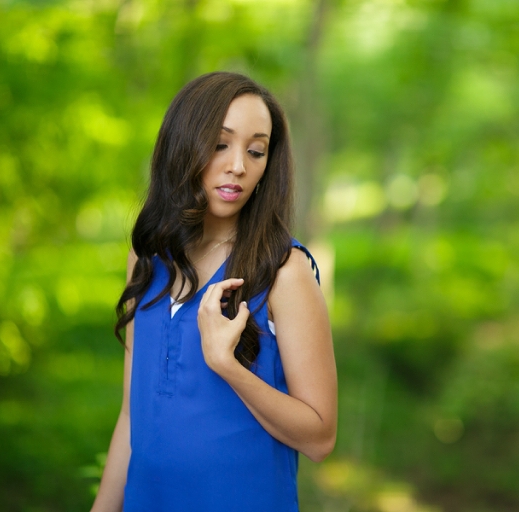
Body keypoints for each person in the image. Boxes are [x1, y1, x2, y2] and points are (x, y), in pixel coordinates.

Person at [91, 72, 337, 512]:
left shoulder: (285, 272)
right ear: (182, 146)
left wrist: (228, 365)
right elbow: (132, 417)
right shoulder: (146, 256)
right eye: (220, 144)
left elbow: (320, 438)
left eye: (256, 150)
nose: (239, 165)